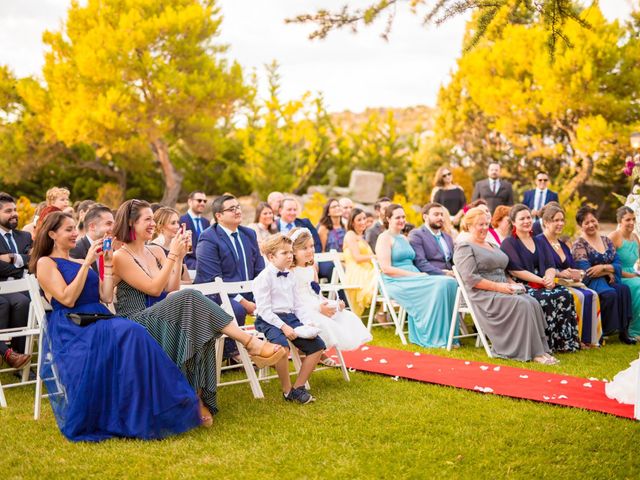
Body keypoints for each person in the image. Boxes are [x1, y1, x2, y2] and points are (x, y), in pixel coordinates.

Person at [30, 211, 203, 441]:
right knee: (132, 332)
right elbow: (67, 299)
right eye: (68, 230)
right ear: (52, 234)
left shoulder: (82, 260)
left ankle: (160, 406)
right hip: (73, 326)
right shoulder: (45, 262)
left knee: (134, 333)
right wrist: (87, 265)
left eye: (75, 229)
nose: (74, 234)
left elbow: (105, 296)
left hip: (100, 318)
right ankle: (148, 410)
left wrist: (108, 264)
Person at [112, 199, 286, 425]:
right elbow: (154, 289)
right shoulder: (121, 256)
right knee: (191, 296)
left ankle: (196, 398)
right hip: (137, 319)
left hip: (160, 314)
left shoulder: (154, 250)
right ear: (131, 223)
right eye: (147, 219)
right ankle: (249, 342)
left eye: (152, 219)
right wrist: (173, 255)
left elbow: (171, 288)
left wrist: (180, 255)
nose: (152, 224)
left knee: (198, 321)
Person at [453, 207, 556, 364]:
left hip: (503, 287)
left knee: (532, 302)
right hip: (483, 293)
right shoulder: (464, 247)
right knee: (522, 304)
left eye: (487, 224)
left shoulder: (492, 245)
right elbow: (471, 279)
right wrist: (499, 287)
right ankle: (529, 352)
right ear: (468, 225)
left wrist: (512, 284)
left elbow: (503, 271)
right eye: (480, 224)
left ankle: (540, 350)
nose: (485, 228)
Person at [253, 233, 326, 404]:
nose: (290, 256)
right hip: (269, 319)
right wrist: (283, 327)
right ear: (271, 257)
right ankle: (287, 391)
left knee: (318, 346)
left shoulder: (290, 275)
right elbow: (264, 310)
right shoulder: (263, 279)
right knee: (282, 349)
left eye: (290, 252)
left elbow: (298, 305)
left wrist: (307, 322)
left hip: (290, 317)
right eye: (284, 253)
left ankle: (298, 387)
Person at [376, 204, 457, 348]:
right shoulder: (384, 238)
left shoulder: (403, 237)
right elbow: (386, 269)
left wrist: (439, 272)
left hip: (414, 277)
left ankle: (449, 335)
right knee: (442, 284)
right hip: (395, 280)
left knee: (449, 282)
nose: (402, 220)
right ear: (388, 219)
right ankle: (431, 335)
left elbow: (417, 261)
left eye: (403, 217)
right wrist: (416, 275)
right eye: (397, 217)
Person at [501, 204, 579, 353]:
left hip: (543, 282)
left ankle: (564, 343)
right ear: (513, 222)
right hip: (523, 285)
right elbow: (516, 271)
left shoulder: (538, 240)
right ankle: (546, 343)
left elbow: (550, 265)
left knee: (565, 294)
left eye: (528, 217)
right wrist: (542, 281)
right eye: (522, 218)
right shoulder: (509, 242)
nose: (526, 221)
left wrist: (549, 278)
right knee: (546, 298)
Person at [195, 195, 264, 359]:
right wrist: (243, 300)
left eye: (238, 207)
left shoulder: (249, 234)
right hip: (215, 294)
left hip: (248, 290)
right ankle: (231, 353)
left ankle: (275, 345)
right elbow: (212, 278)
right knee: (236, 309)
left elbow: (260, 268)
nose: (237, 211)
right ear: (218, 216)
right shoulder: (209, 237)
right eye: (231, 209)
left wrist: (261, 295)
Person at [289, 227, 372, 357]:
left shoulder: (311, 268)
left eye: (311, 246)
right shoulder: (291, 272)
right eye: (304, 248)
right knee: (324, 323)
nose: (310, 250)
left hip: (314, 303)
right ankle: (314, 352)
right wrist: (317, 308)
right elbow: (293, 300)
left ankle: (317, 352)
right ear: (293, 251)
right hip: (301, 310)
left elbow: (317, 294)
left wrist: (331, 303)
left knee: (346, 315)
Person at [537, 204, 602, 347]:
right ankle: (576, 339)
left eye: (562, 220)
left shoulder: (562, 244)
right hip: (550, 282)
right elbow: (541, 268)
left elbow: (571, 265)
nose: (560, 224)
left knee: (592, 294)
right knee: (579, 296)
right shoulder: (539, 242)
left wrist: (576, 273)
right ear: (546, 222)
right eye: (556, 220)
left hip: (568, 282)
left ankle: (591, 339)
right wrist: (559, 272)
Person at [572, 205, 635, 344]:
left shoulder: (606, 240)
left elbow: (618, 264)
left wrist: (604, 268)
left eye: (593, 220)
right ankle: (604, 331)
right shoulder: (579, 245)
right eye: (586, 223)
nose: (591, 225)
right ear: (580, 226)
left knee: (624, 290)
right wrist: (608, 271)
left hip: (607, 279)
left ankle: (624, 332)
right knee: (609, 293)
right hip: (591, 282)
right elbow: (587, 271)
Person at [0, 192, 32, 369]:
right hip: (3, 287)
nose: (14, 214)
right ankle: (12, 353)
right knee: (20, 302)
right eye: (8, 211)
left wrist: (11, 257)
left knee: (25, 300)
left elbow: (34, 261)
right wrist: (22, 262)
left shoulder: (24, 237)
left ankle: (16, 354)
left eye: (15, 210)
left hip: (23, 284)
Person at [608, 206, 640, 340]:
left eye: (633, 219)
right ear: (620, 221)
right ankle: (633, 330)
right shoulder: (614, 236)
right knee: (638, 286)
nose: (632, 222)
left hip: (634, 274)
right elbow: (608, 264)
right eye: (628, 219)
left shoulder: (635, 237)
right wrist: (630, 275)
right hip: (619, 276)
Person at [343, 208, 376, 317]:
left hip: (367, 268)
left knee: (385, 273)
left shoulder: (362, 237)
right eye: (359, 220)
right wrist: (376, 257)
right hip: (357, 270)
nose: (363, 222)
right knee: (380, 276)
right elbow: (357, 257)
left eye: (364, 219)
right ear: (352, 222)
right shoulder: (350, 235)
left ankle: (382, 311)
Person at [408, 202, 455, 276]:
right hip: (432, 276)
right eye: (436, 214)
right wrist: (443, 273)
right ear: (425, 217)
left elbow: (453, 261)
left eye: (441, 215)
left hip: (453, 275)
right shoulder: (416, 235)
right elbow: (420, 263)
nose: (440, 218)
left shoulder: (447, 237)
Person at [151, 207, 192, 284]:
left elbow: (188, 281)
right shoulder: (152, 249)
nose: (177, 226)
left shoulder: (176, 247)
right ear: (160, 226)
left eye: (177, 222)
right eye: (173, 223)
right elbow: (165, 284)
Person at [70, 204, 114, 274]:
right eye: (108, 224)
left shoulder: (110, 248)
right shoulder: (76, 250)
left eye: (113, 224)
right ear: (92, 226)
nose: (113, 228)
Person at [179, 191, 210, 270]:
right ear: (190, 201)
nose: (202, 203)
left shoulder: (206, 222)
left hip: (207, 261)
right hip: (188, 262)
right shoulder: (181, 221)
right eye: (199, 200)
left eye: (205, 201)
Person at [317, 198, 346, 280]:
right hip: (330, 260)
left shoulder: (346, 227)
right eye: (333, 207)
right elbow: (321, 251)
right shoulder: (323, 229)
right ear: (328, 212)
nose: (337, 208)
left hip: (344, 259)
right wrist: (335, 261)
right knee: (342, 270)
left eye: (338, 205)